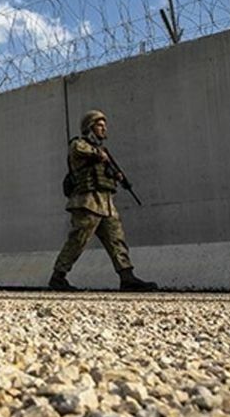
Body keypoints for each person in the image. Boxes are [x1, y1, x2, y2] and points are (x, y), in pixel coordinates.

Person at [49, 110, 158, 292]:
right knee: (78, 240)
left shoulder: (102, 152)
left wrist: (116, 176)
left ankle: (127, 276)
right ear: (89, 128)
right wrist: (98, 154)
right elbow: (80, 150)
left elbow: (104, 170)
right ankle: (58, 277)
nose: (103, 128)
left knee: (117, 240)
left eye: (104, 125)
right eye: (99, 125)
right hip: (87, 203)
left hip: (106, 203)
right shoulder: (79, 145)